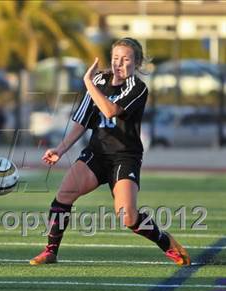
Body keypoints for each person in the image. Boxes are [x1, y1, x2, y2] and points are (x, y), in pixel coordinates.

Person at [30, 37, 190, 266]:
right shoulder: (98, 80)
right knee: (63, 195)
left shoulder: (137, 87)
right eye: (116, 58)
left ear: (137, 63)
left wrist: (88, 83)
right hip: (97, 153)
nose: (119, 64)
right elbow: (81, 120)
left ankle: (165, 242)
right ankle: (50, 251)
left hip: (125, 156)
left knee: (128, 217)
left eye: (126, 59)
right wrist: (61, 149)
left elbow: (110, 110)